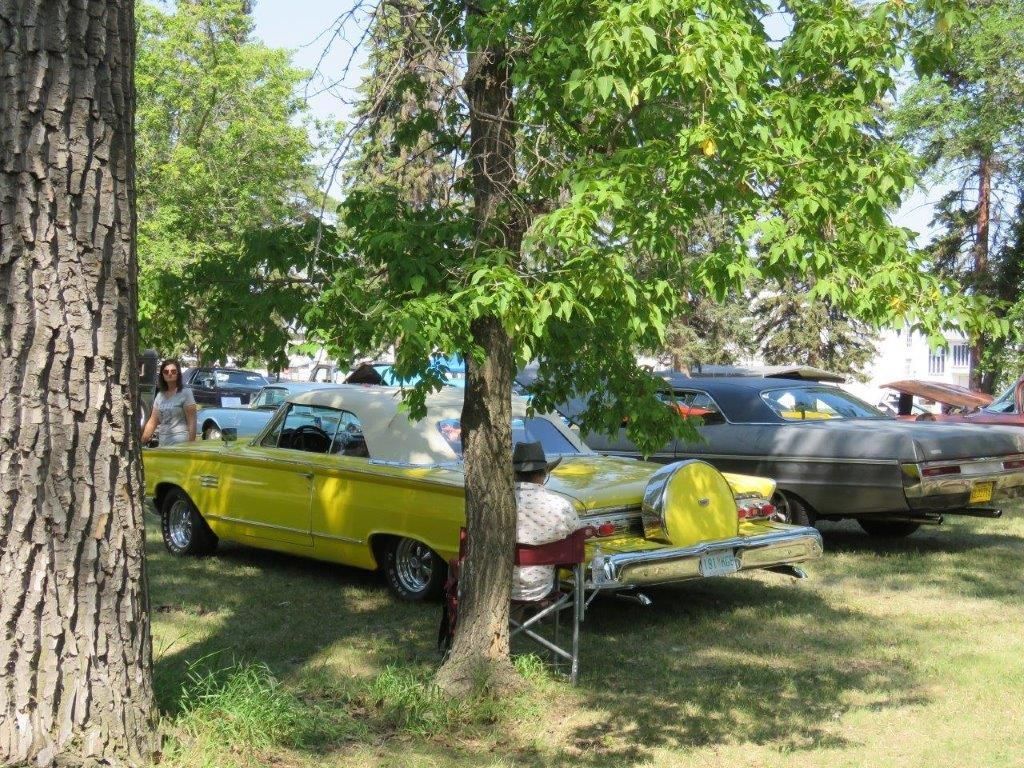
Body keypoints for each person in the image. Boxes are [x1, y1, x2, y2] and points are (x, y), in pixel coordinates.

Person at [512, 441, 580, 601]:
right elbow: (577, 534)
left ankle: (514, 621)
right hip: (541, 588)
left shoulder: (495, 507)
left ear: (513, 474)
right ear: (545, 474)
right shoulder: (561, 506)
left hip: (496, 586)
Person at [141, 358, 197, 446]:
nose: (169, 374)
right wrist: (141, 442)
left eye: (173, 371)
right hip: (163, 443)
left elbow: (192, 423)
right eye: (166, 372)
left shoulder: (186, 393)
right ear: (162, 375)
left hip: (181, 444)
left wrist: (190, 446)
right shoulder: (160, 396)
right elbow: (152, 422)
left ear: (178, 373)